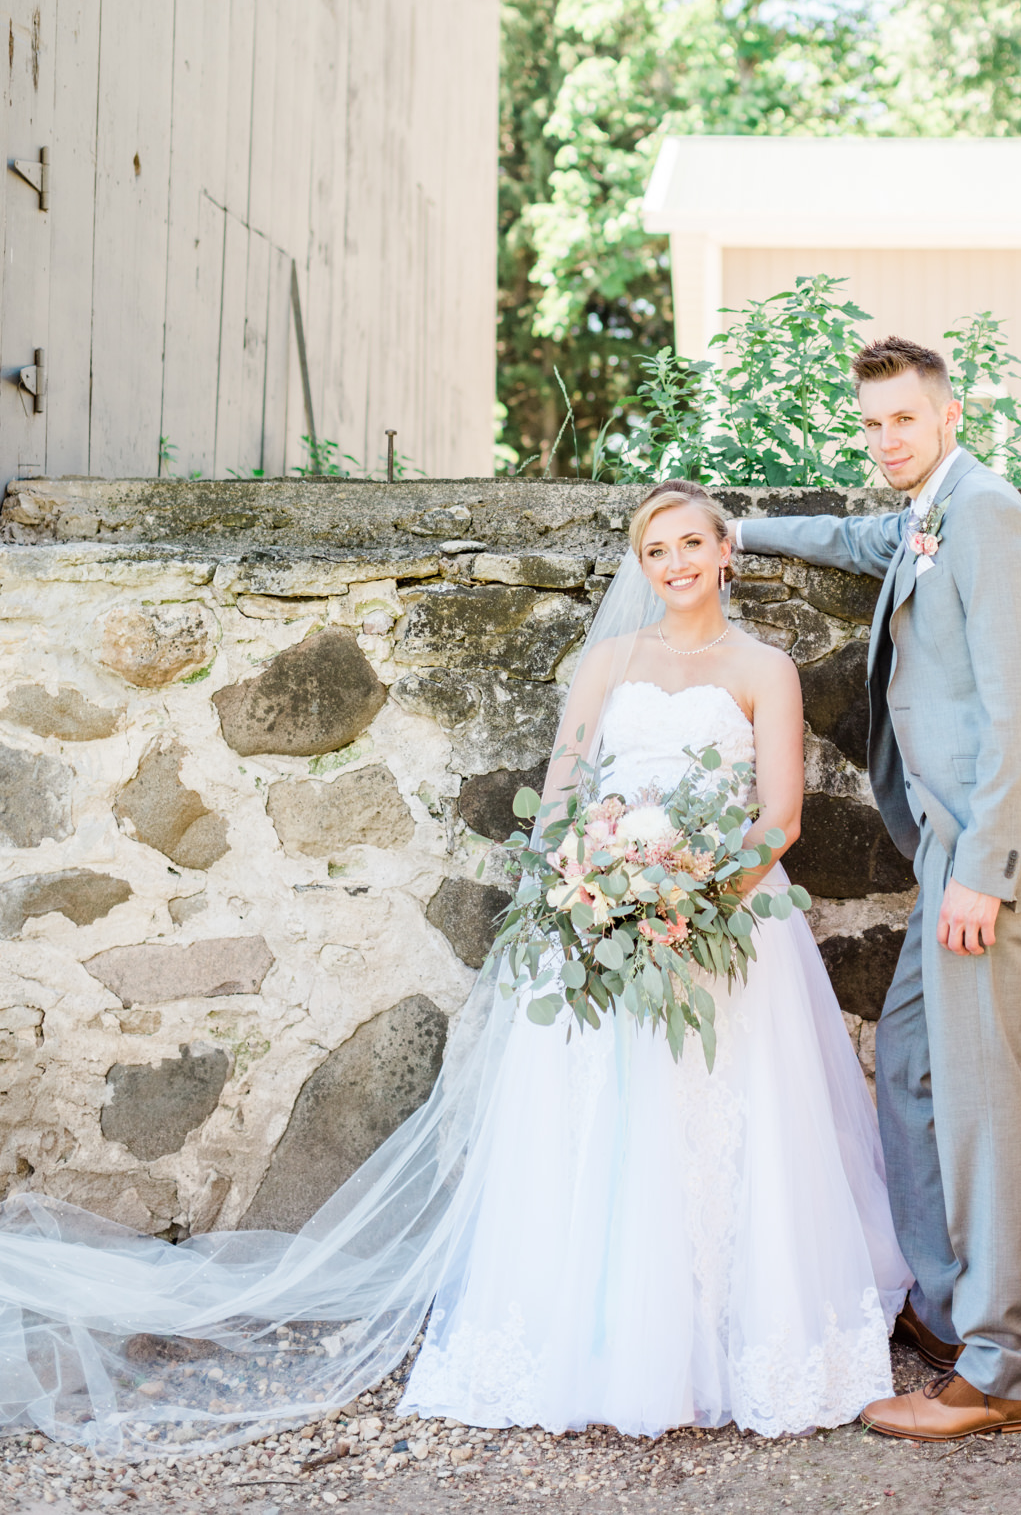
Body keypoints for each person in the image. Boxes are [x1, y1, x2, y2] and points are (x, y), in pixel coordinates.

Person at [0, 482, 910, 1453]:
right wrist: (601, 888)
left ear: (725, 551)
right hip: (601, 921)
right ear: (640, 567)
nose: (676, 563)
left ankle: (736, 1341)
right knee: (607, 1125)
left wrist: (692, 898)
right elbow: (563, 800)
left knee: (732, 1125)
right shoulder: (607, 663)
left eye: (692, 543)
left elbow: (780, 819)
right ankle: (609, 1342)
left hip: (729, 926)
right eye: (656, 551)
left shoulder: (764, 668)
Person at [732, 335, 1021, 1444]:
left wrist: (980, 872)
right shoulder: (929, 511)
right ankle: (941, 1311)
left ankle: (1006, 1367)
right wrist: (735, 532)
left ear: (949, 412)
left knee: (977, 1105)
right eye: (870, 422)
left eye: (902, 420)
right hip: (938, 858)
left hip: (974, 859)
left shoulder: (988, 515)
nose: (885, 439)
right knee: (915, 1078)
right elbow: (859, 539)